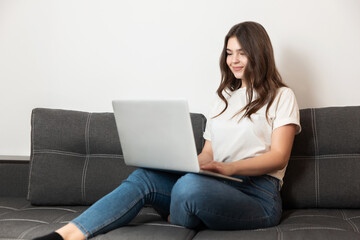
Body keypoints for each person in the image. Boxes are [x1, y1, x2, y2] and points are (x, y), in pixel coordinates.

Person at [34, 21, 301, 240]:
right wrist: (178, 162)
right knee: (145, 177)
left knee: (188, 187)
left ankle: (179, 215)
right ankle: (67, 234)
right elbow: (208, 154)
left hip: (258, 195)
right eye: (229, 53)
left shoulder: (281, 96)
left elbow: (279, 157)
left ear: (259, 52)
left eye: (242, 52)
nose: (234, 60)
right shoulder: (222, 99)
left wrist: (230, 168)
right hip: (214, 183)